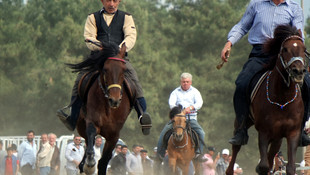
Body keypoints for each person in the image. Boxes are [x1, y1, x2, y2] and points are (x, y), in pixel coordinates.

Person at [220, 0, 310, 146]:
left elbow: (299, 33)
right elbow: (242, 26)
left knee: (308, 85)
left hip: (284, 55)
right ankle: (241, 130)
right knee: (241, 83)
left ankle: (301, 130)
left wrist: (297, 52)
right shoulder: (256, 4)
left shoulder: (294, 8)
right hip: (260, 54)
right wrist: (229, 43)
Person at [56, 0, 152, 135]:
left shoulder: (126, 17)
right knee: (80, 80)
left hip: (119, 57)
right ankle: (73, 117)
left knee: (134, 81)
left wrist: (119, 50)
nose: (111, 4)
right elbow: (89, 37)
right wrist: (102, 47)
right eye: (108, 0)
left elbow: (131, 37)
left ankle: (143, 115)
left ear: (118, 2)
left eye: (115, 1)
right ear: (102, 1)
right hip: (98, 57)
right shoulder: (92, 17)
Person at [156, 72, 205, 160]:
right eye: (183, 82)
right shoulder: (175, 92)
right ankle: (159, 154)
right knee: (164, 132)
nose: (185, 83)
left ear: (191, 82)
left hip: (191, 118)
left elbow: (199, 103)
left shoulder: (195, 92)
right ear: (180, 82)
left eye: (187, 81)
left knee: (201, 133)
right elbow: (171, 103)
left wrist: (190, 108)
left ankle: (199, 153)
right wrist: (179, 111)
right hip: (178, 119)